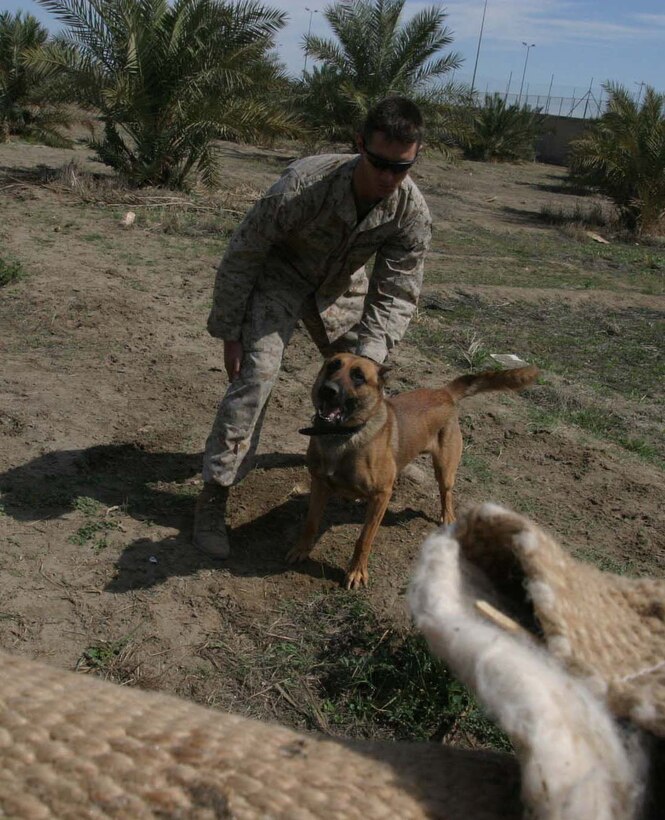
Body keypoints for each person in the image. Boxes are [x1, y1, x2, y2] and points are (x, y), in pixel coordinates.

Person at [194, 96, 432, 558]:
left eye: (401, 168)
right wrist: (231, 330)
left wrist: (373, 357)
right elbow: (245, 251)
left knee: (366, 386)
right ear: (360, 144)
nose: (388, 178)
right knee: (255, 378)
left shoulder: (410, 210)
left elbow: (397, 292)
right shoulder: (304, 184)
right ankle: (215, 493)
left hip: (341, 291)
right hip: (280, 280)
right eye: (379, 163)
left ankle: (364, 459)